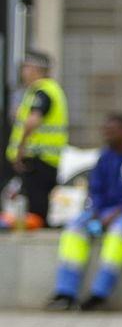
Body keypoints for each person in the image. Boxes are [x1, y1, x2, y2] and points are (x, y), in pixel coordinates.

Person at [48, 113, 122, 311]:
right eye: (105, 132)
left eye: (112, 132)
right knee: (74, 229)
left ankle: (99, 293)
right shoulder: (105, 156)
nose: (107, 135)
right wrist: (97, 210)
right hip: (102, 211)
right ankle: (65, 292)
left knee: (118, 232)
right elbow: (95, 188)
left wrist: (116, 213)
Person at [5, 50, 67, 230]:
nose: (23, 72)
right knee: (37, 206)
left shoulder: (43, 91)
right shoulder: (49, 90)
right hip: (47, 159)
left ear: (36, 70)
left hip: (39, 158)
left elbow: (33, 121)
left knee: (36, 209)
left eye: (26, 68)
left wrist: (20, 149)